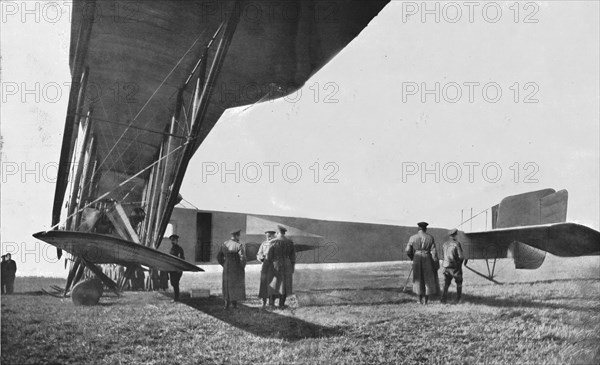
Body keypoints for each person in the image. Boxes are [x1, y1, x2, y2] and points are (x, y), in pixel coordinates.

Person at [406, 222, 439, 304]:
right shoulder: (430, 237)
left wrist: (412, 257)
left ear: (418, 228)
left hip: (417, 258)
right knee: (428, 279)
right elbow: (434, 252)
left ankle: (419, 300)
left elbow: (407, 250)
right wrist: (435, 263)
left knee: (418, 279)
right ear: (425, 228)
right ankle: (426, 301)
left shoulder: (412, 237)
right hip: (427, 258)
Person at [217, 229, 247, 309]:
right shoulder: (238, 245)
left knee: (226, 285)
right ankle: (234, 304)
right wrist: (242, 267)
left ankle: (226, 304)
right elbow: (243, 258)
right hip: (236, 267)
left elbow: (219, 257)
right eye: (238, 236)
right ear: (237, 236)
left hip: (226, 266)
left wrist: (224, 264)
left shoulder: (224, 244)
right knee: (234, 285)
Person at [267, 225, 296, 309]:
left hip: (275, 264)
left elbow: (269, 256)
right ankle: (281, 304)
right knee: (285, 284)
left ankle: (271, 304)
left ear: (277, 232)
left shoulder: (273, 242)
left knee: (274, 283)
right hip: (287, 264)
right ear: (284, 233)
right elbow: (293, 257)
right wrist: (292, 267)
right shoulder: (290, 242)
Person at [441, 228, 465, 303]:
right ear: (455, 235)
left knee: (446, 284)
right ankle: (458, 299)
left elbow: (444, 256)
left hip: (446, 266)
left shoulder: (444, 244)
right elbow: (461, 256)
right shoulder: (457, 244)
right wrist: (460, 264)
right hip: (455, 267)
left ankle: (443, 299)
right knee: (459, 282)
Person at [256, 230, 276, 308]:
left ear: (274, 235)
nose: (268, 237)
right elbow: (258, 254)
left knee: (272, 284)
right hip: (264, 266)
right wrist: (260, 257)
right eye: (267, 235)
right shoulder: (263, 244)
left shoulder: (276, 244)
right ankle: (264, 302)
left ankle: (271, 303)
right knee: (263, 284)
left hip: (273, 267)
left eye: (270, 235)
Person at [168, 234, 185, 301]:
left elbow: (181, 259)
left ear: (176, 241)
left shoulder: (179, 249)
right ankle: (176, 297)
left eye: (174, 240)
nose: (172, 241)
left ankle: (176, 298)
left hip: (177, 269)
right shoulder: (172, 249)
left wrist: (179, 269)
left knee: (175, 283)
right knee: (173, 283)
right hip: (172, 269)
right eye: (172, 240)